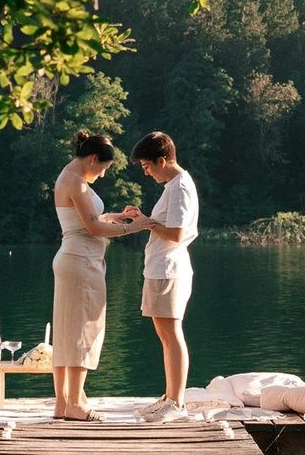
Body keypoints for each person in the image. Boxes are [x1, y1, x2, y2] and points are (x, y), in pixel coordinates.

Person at [48, 131, 142, 421]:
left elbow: (90, 220)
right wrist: (137, 227)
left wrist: (117, 217)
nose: (101, 175)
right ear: (92, 158)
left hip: (74, 259)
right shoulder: (76, 181)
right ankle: (75, 404)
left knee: (66, 332)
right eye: (102, 169)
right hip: (80, 261)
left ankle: (63, 403)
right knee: (83, 330)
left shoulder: (69, 177)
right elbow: (93, 228)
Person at [129, 131, 200, 423]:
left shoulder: (181, 186)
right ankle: (169, 397)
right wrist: (145, 219)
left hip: (170, 269)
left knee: (172, 335)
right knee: (165, 336)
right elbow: (166, 226)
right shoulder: (172, 185)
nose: (146, 172)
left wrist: (146, 222)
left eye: (147, 166)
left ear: (162, 160)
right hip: (160, 269)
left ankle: (177, 402)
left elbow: (178, 233)